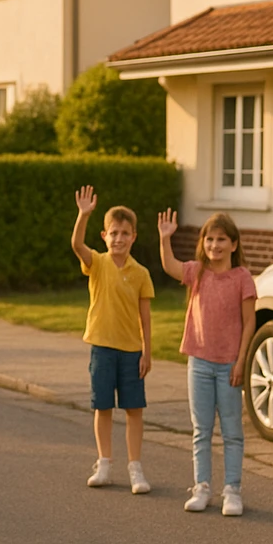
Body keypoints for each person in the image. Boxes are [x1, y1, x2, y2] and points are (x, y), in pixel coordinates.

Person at [158, 210, 257, 516]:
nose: (215, 245)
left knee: (231, 431)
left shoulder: (242, 278)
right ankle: (201, 487)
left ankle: (232, 491)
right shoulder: (197, 272)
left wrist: (241, 362)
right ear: (203, 243)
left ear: (233, 243)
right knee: (201, 430)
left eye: (221, 239)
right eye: (210, 239)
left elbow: (250, 323)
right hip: (199, 362)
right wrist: (165, 238)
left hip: (229, 365)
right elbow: (170, 266)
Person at [71, 186, 154, 494]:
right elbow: (77, 244)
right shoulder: (97, 263)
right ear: (104, 236)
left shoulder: (141, 273)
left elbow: (145, 317)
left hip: (132, 352)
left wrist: (148, 351)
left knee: (134, 410)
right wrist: (83, 215)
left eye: (125, 233)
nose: (119, 238)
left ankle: (136, 468)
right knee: (102, 407)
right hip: (102, 349)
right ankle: (104, 462)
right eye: (114, 233)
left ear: (133, 237)